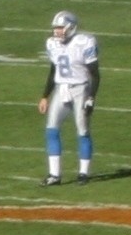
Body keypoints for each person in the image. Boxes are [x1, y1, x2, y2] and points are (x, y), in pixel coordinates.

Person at [38, 10, 99, 186]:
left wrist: (91, 98)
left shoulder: (84, 43)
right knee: (51, 128)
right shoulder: (52, 44)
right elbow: (53, 70)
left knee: (83, 130)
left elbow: (95, 74)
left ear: (70, 27)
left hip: (81, 89)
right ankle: (54, 175)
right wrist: (44, 96)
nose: (57, 31)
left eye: (60, 27)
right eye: (55, 28)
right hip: (61, 89)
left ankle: (83, 173)